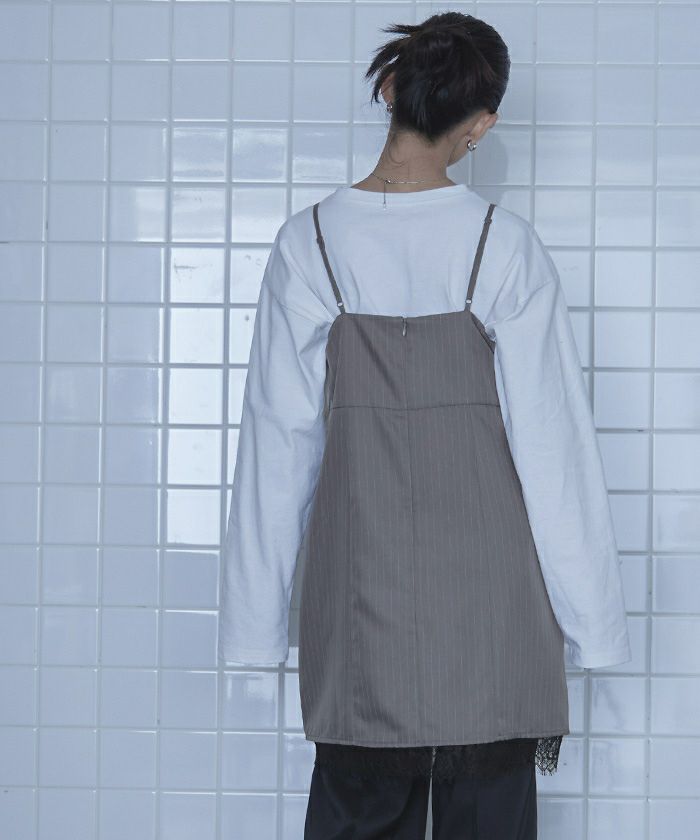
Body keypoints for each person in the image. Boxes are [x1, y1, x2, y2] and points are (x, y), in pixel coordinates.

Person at [218, 11, 632, 839]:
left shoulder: (308, 247)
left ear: (388, 88)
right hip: (494, 624)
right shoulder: (504, 246)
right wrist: (595, 627)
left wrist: (254, 627)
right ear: (481, 125)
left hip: (359, 617)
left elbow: (276, 446)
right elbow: (554, 451)